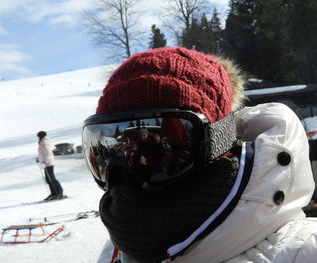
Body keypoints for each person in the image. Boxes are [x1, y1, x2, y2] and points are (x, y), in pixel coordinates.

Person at [82, 47, 317, 263]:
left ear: (216, 143)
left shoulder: (304, 251)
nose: (122, 176)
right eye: (104, 155)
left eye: (154, 132)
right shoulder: (116, 251)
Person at [37, 131, 64, 201]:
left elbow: (48, 153)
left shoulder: (44, 142)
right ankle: (53, 193)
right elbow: (42, 153)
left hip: (48, 163)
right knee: (48, 179)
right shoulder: (42, 142)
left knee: (51, 178)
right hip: (45, 163)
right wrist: (39, 159)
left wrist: (46, 162)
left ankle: (59, 192)